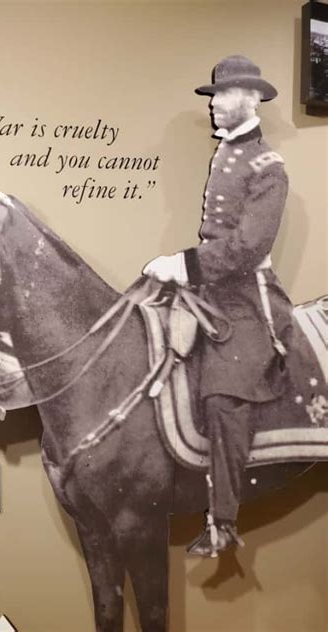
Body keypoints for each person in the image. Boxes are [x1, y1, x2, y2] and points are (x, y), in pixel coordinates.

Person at [143, 55, 294, 556]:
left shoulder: (269, 166)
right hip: (211, 285)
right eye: (213, 97)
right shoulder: (226, 152)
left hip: (248, 296)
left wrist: (182, 264)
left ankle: (224, 520)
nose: (214, 106)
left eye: (223, 96)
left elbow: (249, 246)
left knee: (224, 395)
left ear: (251, 99)